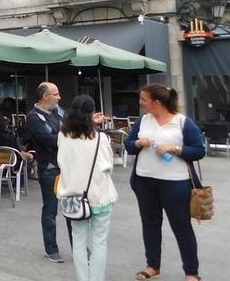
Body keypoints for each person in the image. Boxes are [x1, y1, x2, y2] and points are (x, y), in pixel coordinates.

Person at [125, 84, 205, 281]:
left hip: (176, 184)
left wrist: (175, 148)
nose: (141, 103)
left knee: (181, 226)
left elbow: (199, 150)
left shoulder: (182, 122)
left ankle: (191, 272)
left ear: (156, 103)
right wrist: (137, 143)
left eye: (144, 99)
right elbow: (129, 146)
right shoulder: (143, 120)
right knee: (150, 224)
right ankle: (152, 265)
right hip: (144, 181)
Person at [57, 95, 117, 281]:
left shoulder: (62, 135)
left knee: (79, 242)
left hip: (73, 197)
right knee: (99, 243)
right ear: (91, 114)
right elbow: (108, 165)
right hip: (99, 195)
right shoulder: (101, 138)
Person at [26, 81, 71, 263]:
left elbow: (70, 127)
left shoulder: (58, 111)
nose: (59, 98)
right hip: (50, 170)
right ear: (45, 97)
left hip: (67, 167)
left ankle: (80, 248)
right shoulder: (34, 117)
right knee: (50, 211)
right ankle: (51, 249)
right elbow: (49, 140)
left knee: (72, 210)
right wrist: (66, 135)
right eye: (56, 94)